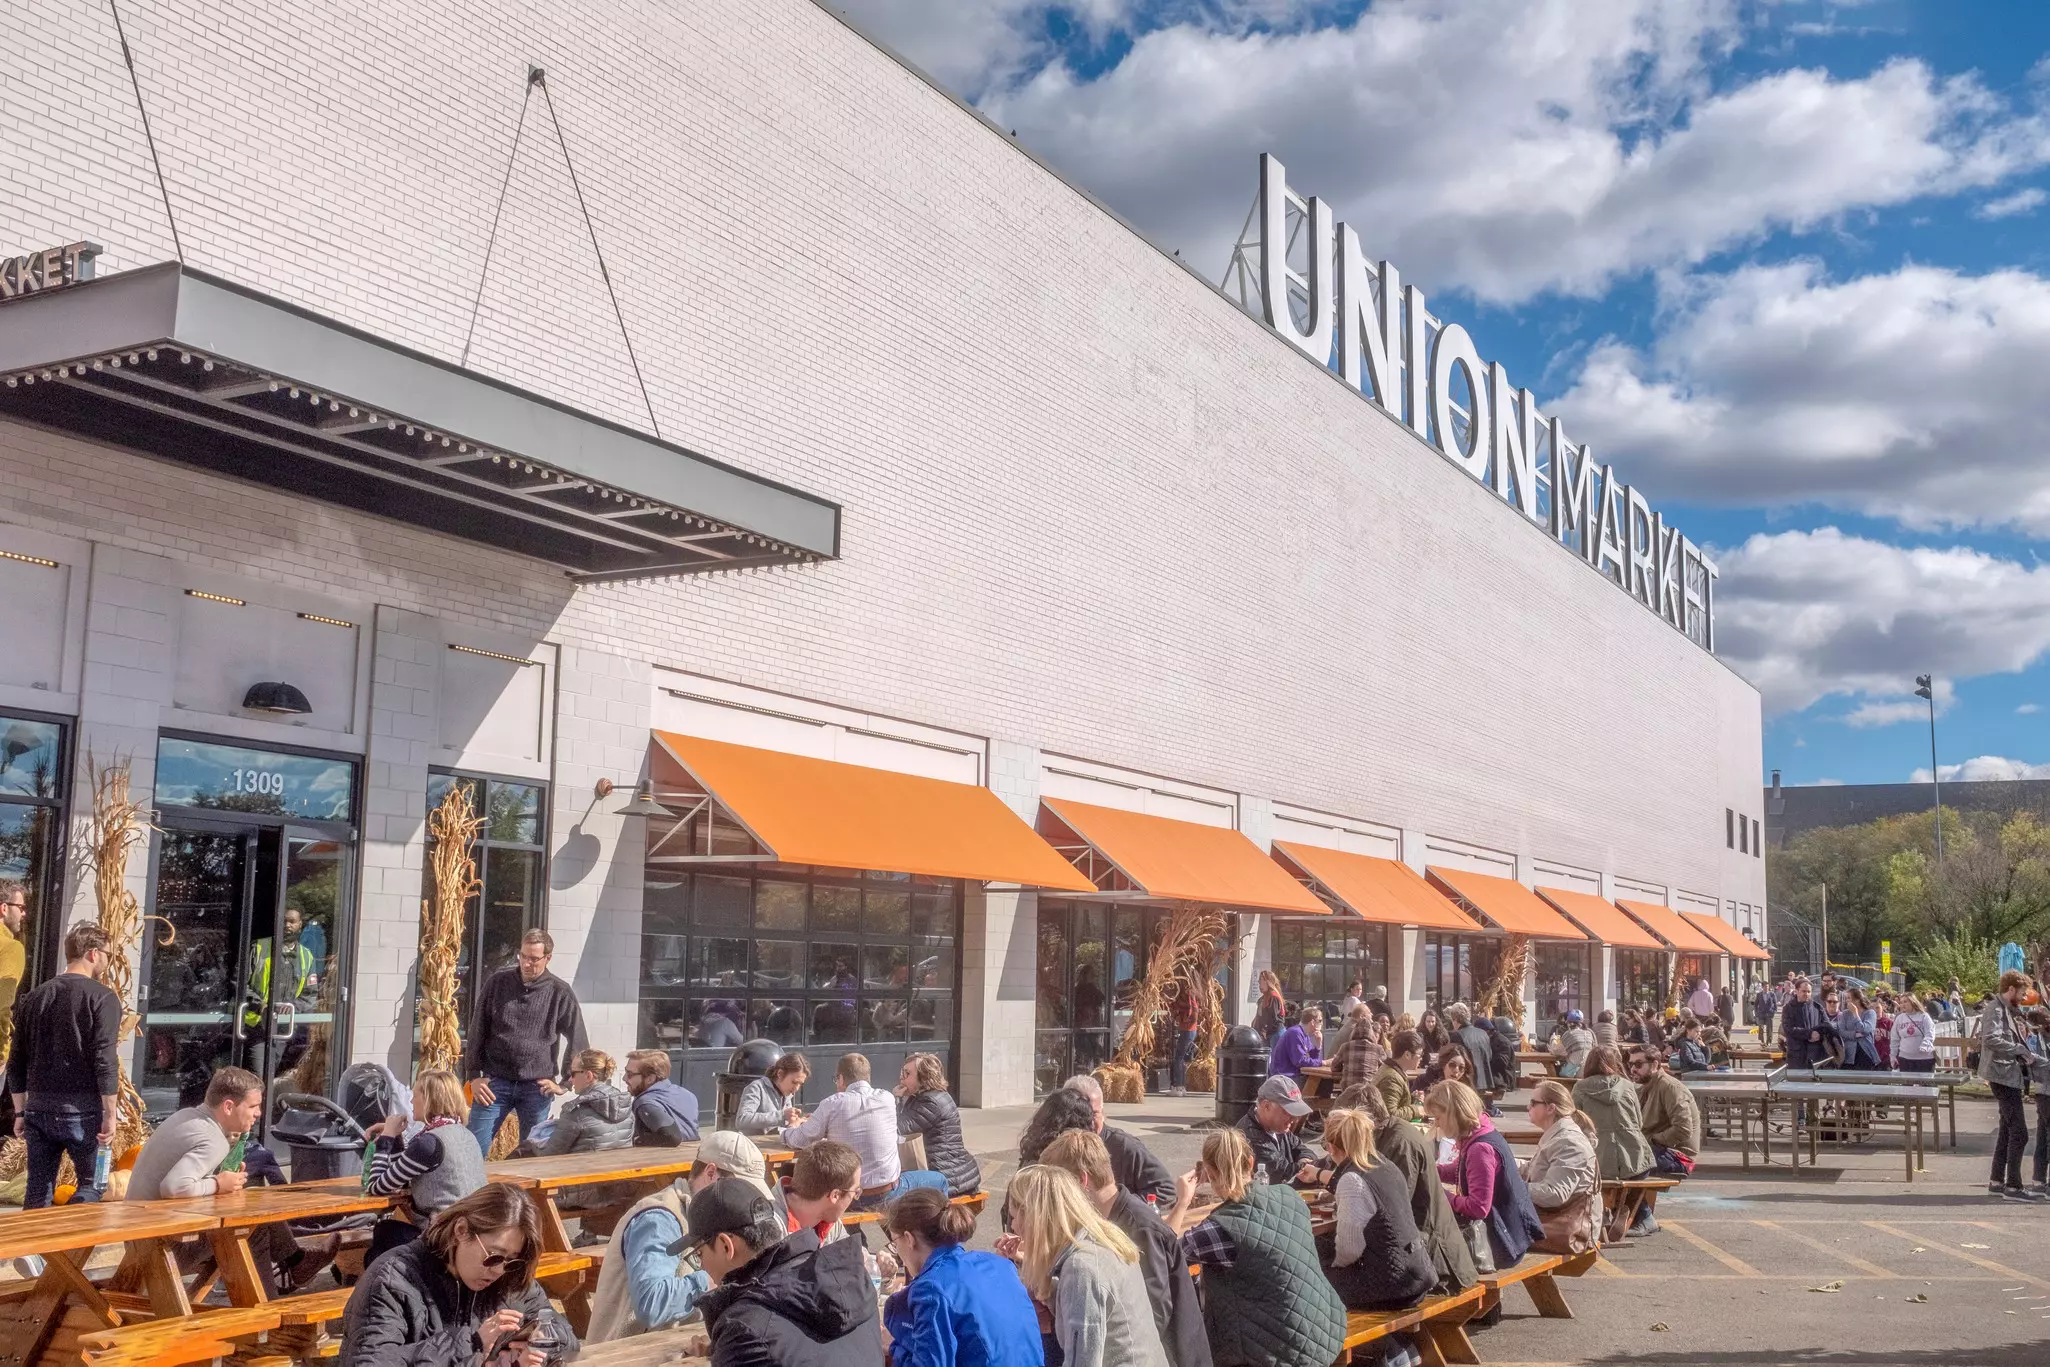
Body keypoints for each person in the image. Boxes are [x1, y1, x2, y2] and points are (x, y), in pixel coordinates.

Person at [130, 1067, 335, 1291]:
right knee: (253, 1228)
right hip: (163, 1248)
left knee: (253, 1209)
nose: (258, 1114)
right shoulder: (213, 1140)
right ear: (228, 1106)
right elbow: (173, 1187)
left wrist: (221, 1179)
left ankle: (297, 1263)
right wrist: (219, 1183)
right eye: (253, 1106)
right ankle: (264, 1311)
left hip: (141, 1237)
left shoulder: (186, 1117)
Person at [1167, 1127, 1346, 1367]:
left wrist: (1182, 1203)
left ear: (1208, 1173)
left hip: (1275, 1352)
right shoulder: (1289, 1197)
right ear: (1251, 1163)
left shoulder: (1218, 1230)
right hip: (1325, 1329)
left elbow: (1164, 1256)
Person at [340, 1182, 570, 1367]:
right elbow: (369, 1361)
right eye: (494, 1256)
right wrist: (470, 1344)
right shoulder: (393, 1278)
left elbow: (564, 1334)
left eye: (511, 1261)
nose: (499, 1270)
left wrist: (539, 1345)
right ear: (461, 1230)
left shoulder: (510, 1279)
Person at [1040, 1128, 1211, 1367]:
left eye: (1058, 1190)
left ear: (1081, 1180)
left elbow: (1152, 1315)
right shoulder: (1115, 1219)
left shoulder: (1139, 1228)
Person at [585, 1129, 772, 1342]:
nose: (742, 1198)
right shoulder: (658, 1218)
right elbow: (651, 1305)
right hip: (623, 1356)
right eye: (736, 1188)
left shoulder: (710, 1217)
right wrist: (717, 1279)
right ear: (710, 1173)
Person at [689, 1175, 887, 1366]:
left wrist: (728, 1348)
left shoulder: (743, 1331)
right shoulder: (852, 1280)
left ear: (726, 1245)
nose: (702, 1266)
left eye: (699, 1254)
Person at [8, 921, 119, 1209]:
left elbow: (16, 1059)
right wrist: (111, 1113)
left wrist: (20, 1110)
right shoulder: (102, 997)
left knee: (37, 1190)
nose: (109, 961)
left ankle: (33, 1254)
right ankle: (69, 1250)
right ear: (93, 954)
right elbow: (105, 1059)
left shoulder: (33, 998)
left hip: (39, 1108)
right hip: (83, 1110)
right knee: (94, 1184)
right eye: (109, 954)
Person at [1010, 1164, 1168, 1367]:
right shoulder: (1100, 1240)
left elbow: (1082, 1360)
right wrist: (1037, 1275)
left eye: (1015, 1217)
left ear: (1035, 1217)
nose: (1013, 1227)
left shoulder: (1081, 1269)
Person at [881, 1185, 1043, 1367]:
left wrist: (895, 1346)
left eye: (894, 1242)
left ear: (909, 1239)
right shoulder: (1001, 1264)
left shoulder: (931, 1289)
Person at [464, 928, 588, 1153]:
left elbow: (578, 1039)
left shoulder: (560, 991)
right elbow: (477, 1029)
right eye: (523, 956)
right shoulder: (497, 983)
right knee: (472, 1150)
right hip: (495, 1082)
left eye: (534, 959)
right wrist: (474, 1076)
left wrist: (565, 1083)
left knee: (534, 1155)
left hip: (537, 1086)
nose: (527, 963)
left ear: (548, 958)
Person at [1349, 1086, 1476, 1296]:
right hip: (1420, 1249)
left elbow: (1394, 1209)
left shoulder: (1400, 1144)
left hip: (1434, 1263)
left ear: (1364, 1121)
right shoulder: (1388, 1133)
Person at [1422, 1080, 1543, 1284]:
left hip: (1498, 1244)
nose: (1436, 1124)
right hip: (1511, 1233)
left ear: (1452, 1113)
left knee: (1427, 1252)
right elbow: (1464, 1171)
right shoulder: (1482, 1132)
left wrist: (1442, 1196)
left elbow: (1478, 1208)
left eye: (1438, 1117)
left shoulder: (1480, 1149)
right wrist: (1431, 1171)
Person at [363, 1069, 487, 1265]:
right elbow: (401, 1180)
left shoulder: (429, 1143)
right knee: (388, 1233)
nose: (411, 1101)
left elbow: (377, 1186)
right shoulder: (466, 1135)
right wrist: (395, 1137)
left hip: (445, 1241)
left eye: (415, 1095)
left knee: (383, 1237)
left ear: (429, 1099)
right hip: (473, 1235)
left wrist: (386, 1139)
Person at [1316, 1108, 1434, 1313]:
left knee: (1311, 1280)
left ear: (1331, 1147)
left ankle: (1346, 1343)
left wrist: (1330, 1265)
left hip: (1390, 1285)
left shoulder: (1352, 1180)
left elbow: (1349, 1251)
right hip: (1417, 1271)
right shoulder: (1386, 1164)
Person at [782, 1051, 899, 1206]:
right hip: (887, 1191)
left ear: (841, 1078)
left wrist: (790, 1127)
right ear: (867, 1077)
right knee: (937, 1180)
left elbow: (799, 1140)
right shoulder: (888, 1098)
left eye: (836, 1079)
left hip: (846, 1196)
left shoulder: (832, 1104)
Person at [1063, 1074, 1176, 1205]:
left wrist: (1117, 1208)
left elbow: (1165, 1190)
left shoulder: (1124, 1146)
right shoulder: (1052, 1147)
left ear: (1103, 1112)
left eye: (1093, 1114)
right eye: (1079, 1114)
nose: (1087, 1122)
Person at [1978, 969, 2039, 1200]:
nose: (2024, 998)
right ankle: (2013, 1186)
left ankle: (1996, 1181)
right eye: (2022, 992)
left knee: (2006, 1129)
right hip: (2001, 1074)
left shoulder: (2007, 1009)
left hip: (2007, 1073)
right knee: (2019, 1133)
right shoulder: (1995, 1009)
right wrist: (2019, 1049)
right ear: (2011, 989)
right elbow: (1991, 1038)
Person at [1520, 1080, 1600, 1254]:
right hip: (1552, 1220)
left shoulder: (1568, 1142)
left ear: (1551, 1108)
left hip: (1569, 1230)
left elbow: (1554, 1194)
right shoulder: (1557, 1135)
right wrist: (1501, 1162)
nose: (1528, 1106)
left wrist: (1512, 1187)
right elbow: (1533, 1169)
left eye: (1534, 1103)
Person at [517, 1047, 632, 1157]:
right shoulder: (625, 1106)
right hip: (618, 1172)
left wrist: (534, 1140)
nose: (570, 1079)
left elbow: (549, 1155)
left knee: (524, 1148)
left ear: (588, 1076)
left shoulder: (575, 1111)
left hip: (583, 1173)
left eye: (573, 1073)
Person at [895, 1052, 980, 1196]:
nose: (901, 1078)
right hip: (949, 1170)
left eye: (907, 1073)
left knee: (894, 1192)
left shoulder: (931, 1102)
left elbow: (899, 1128)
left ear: (924, 1077)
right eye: (902, 1072)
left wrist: (896, 1099)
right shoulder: (929, 1096)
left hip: (947, 1177)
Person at [1571, 1047, 1656, 1187]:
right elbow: (1639, 1122)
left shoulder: (1580, 1088)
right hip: (1635, 1158)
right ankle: (1638, 1208)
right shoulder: (1628, 1085)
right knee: (1636, 1198)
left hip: (1598, 1161)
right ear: (1614, 1063)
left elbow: (1575, 1124)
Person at [1628, 1045, 1700, 1202]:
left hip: (1678, 1157)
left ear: (1654, 1065)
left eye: (1638, 1064)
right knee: (1614, 1157)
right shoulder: (1644, 1087)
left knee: (1627, 1164)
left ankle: (1642, 1216)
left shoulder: (1670, 1088)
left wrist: (1653, 1140)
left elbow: (1683, 1129)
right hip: (1656, 1150)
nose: (1633, 1069)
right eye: (1631, 1064)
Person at [1236, 1075, 1319, 1187]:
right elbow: (1281, 1172)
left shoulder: (1278, 1127)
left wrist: (1305, 1162)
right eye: (1288, 1112)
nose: (1294, 1119)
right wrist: (1306, 1166)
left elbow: (1304, 1150)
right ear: (1266, 1106)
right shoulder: (1248, 1135)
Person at [624, 1048, 702, 1147]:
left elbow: (672, 1137)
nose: (624, 1078)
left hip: (662, 1160)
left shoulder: (646, 1103)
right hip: (693, 1155)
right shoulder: (687, 1094)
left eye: (630, 1074)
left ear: (650, 1079)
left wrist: (637, 1140)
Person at [735, 1051, 808, 1135]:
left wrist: (799, 1122)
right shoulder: (756, 1088)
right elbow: (742, 1120)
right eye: (794, 1082)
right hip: (752, 1145)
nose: (796, 1088)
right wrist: (782, 1115)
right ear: (780, 1074)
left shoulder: (787, 1093)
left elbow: (781, 1129)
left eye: (800, 1084)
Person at [0, 880, 29, 1083]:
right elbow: (2, 1004)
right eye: (21, 907)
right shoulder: (11, 948)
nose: (24, 914)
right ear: (3, 908)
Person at [1779, 977, 1829, 1070]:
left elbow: (1826, 1025)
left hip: (1815, 1053)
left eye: (1809, 992)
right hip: (1796, 1055)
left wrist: (1819, 1034)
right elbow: (1788, 1028)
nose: (1806, 994)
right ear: (1797, 991)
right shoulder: (1788, 1008)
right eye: (1804, 991)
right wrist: (1809, 1034)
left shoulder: (1818, 1008)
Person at [1445, 1004, 1495, 1096]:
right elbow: (1489, 1055)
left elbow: (1455, 1059)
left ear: (1455, 1019)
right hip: (1485, 1081)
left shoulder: (1457, 1035)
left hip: (1467, 1081)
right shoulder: (1483, 1033)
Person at [2027, 1008, 2050, 1197]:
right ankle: (2044, 1183)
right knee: (2046, 1138)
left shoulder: (2036, 1039)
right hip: (2046, 1091)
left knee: (2042, 1137)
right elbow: (2033, 1061)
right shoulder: (2036, 1040)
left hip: (2043, 1091)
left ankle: (2038, 1180)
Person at [1336, 1006, 1387, 1093]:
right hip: (1369, 1091)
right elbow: (1385, 1067)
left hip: (1348, 1091)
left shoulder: (1346, 1046)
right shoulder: (1378, 1048)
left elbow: (1334, 1066)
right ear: (1371, 1032)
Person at [1378, 1030, 1423, 1122]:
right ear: (1407, 1054)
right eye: (1419, 1055)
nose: (1421, 1059)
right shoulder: (1392, 1078)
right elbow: (1389, 1115)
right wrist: (1416, 1110)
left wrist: (1411, 1097)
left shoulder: (1389, 1068)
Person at [1267, 1007, 1323, 1081]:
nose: (1321, 1024)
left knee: (1322, 1082)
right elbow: (1300, 1061)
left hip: (1293, 1075)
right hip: (1284, 1077)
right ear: (1312, 1022)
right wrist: (1323, 1062)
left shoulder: (1304, 1034)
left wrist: (1318, 1044)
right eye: (1320, 1021)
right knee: (1323, 1082)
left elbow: (1312, 1059)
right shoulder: (1295, 1033)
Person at [1892, 994, 1939, 1074]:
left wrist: (1925, 1045)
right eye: (1901, 1002)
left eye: (1905, 1002)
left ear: (1913, 1002)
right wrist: (1892, 1055)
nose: (1902, 1004)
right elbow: (1894, 1038)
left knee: (1925, 1084)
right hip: (1905, 1058)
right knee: (1906, 1085)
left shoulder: (1924, 1016)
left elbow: (1930, 1032)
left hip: (1924, 1058)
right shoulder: (1899, 1018)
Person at [1168, 983, 1200, 1096]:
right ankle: (1181, 1087)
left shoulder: (1189, 999)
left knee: (1178, 1058)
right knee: (1181, 1059)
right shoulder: (1191, 998)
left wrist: (1181, 1018)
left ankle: (1178, 1087)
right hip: (1190, 1030)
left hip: (1188, 1030)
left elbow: (1193, 1014)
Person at [1838, 988, 1880, 1070]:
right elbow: (1841, 1031)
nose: (1846, 1001)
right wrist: (1855, 1034)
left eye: (1848, 998)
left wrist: (1855, 1013)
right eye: (1846, 998)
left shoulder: (1870, 1013)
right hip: (1848, 1054)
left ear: (1857, 999)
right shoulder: (1845, 1014)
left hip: (1865, 1053)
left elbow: (1864, 1029)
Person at [1550, 1010, 1593, 1078]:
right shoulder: (1589, 1033)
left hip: (1573, 1073)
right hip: (1587, 1071)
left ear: (1569, 1023)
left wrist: (1553, 1039)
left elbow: (1556, 1051)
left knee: (1553, 1068)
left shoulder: (1569, 1034)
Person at [1252, 970, 1286, 1043]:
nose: (1259, 984)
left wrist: (1266, 1031)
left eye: (1261, 980)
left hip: (1275, 1034)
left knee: (1276, 1054)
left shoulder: (1273, 997)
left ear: (1268, 982)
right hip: (1269, 1035)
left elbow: (1274, 1019)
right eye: (1259, 981)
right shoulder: (1263, 999)